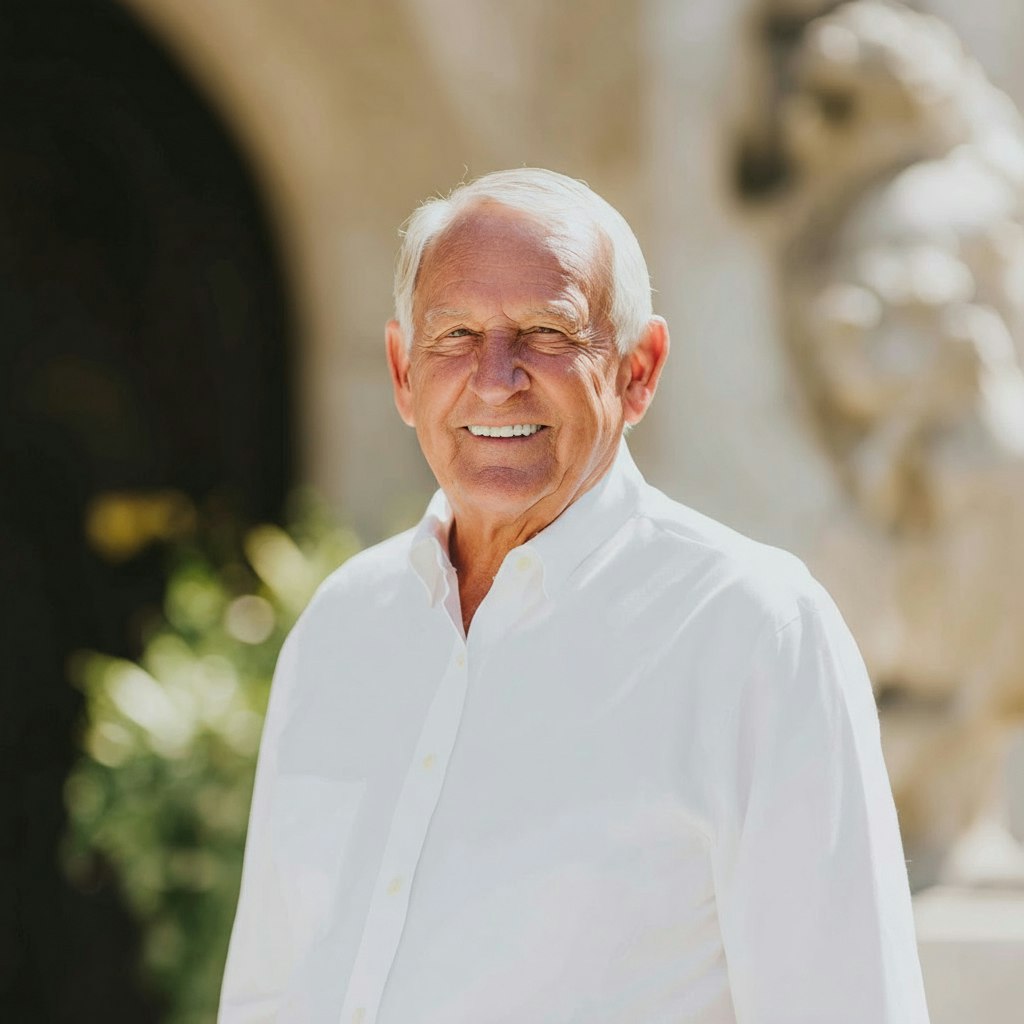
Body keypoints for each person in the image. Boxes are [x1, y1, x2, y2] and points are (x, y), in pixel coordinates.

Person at [218, 168, 930, 1023]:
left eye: (548, 332)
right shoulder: (342, 626)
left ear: (639, 369)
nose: (495, 377)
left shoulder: (753, 631)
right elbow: (269, 992)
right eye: (454, 336)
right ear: (404, 373)